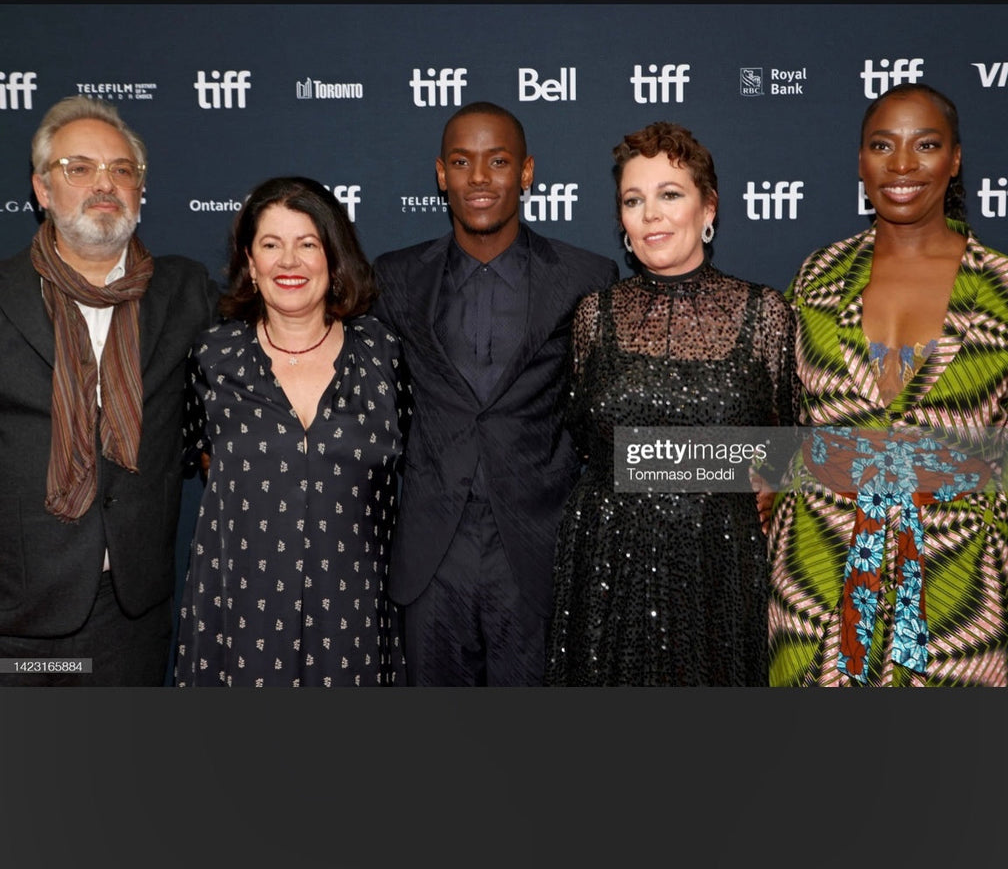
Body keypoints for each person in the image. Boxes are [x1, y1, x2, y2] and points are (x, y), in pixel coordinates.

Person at [768, 83, 1008, 686]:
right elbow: (783, 422)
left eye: (926, 145)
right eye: (882, 145)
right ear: (860, 161)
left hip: (959, 584)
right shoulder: (817, 278)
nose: (902, 164)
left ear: (955, 160)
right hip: (818, 574)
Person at [371, 100, 619, 686]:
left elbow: (615, 413)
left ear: (526, 172)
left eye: (498, 161)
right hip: (431, 557)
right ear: (441, 175)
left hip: (537, 554)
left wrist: (764, 462)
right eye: (462, 162)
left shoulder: (587, 279)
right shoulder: (395, 277)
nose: (479, 178)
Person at [544, 120, 799, 686]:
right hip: (608, 561)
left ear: (709, 208)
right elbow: (586, 444)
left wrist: (765, 481)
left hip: (719, 564)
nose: (651, 215)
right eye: (633, 200)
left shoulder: (765, 314)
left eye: (670, 195)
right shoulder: (594, 316)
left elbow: (791, 442)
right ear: (622, 220)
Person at [0, 95, 220, 686]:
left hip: (129, 612)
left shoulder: (187, 292)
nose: (105, 183)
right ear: (42, 190)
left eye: (122, 170)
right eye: (79, 168)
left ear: (140, 190)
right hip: (15, 612)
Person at [174, 176, 409, 687]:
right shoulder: (213, 358)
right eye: (271, 245)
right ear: (250, 260)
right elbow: (202, 464)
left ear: (334, 256)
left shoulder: (383, 354)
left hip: (354, 619)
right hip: (241, 618)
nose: (289, 262)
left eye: (307, 244)